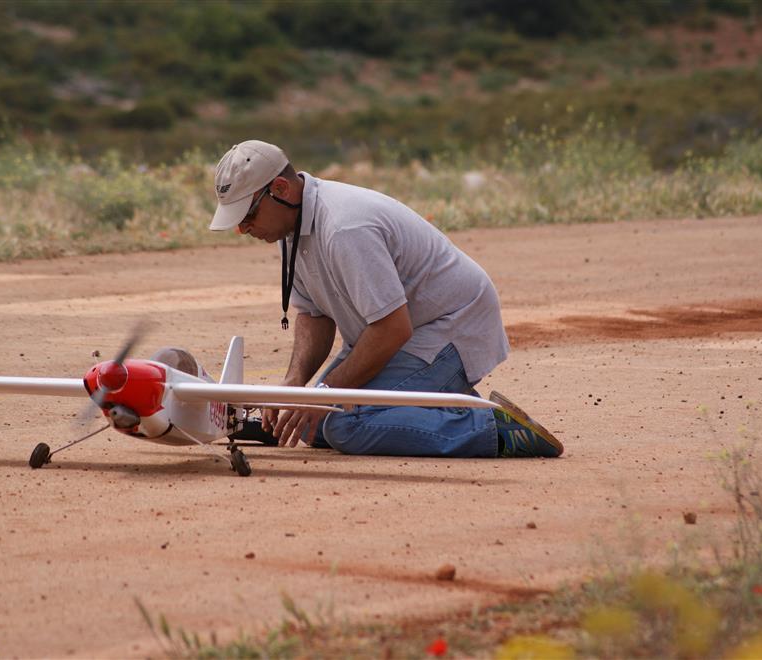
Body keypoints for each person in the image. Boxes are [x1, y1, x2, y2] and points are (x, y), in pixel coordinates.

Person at [209, 140, 563, 458]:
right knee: (308, 421)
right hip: (396, 333)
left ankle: (494, 429)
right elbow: (315, 316)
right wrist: (294, 386)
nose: (242, 228)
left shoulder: (345, 229)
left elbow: (393, 329)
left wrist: (326, 392)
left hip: (451, 326)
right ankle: (435, 405)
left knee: (346, 426)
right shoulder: (291, 229)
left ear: (281, 189)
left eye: (248, 214)